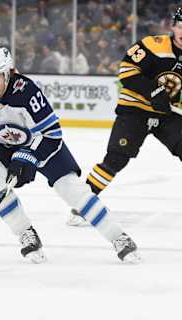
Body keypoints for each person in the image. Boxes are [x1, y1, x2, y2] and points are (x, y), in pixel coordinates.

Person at [0, 47, 141, 264]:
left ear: (8, 74)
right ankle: (25, 233)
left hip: (39, 143)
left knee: (70, 188)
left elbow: (52, 134)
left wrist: (26, 157)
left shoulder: (27, 91)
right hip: (1, 145)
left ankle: (119, 237)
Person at [67, 7, 182, 226]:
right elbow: (126, 72)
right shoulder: (152, 45)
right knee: (115, 159)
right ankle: (82, 205)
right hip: (135, 110)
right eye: (181, 26)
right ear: (173, 26)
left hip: (167, 115)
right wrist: (154, 92)